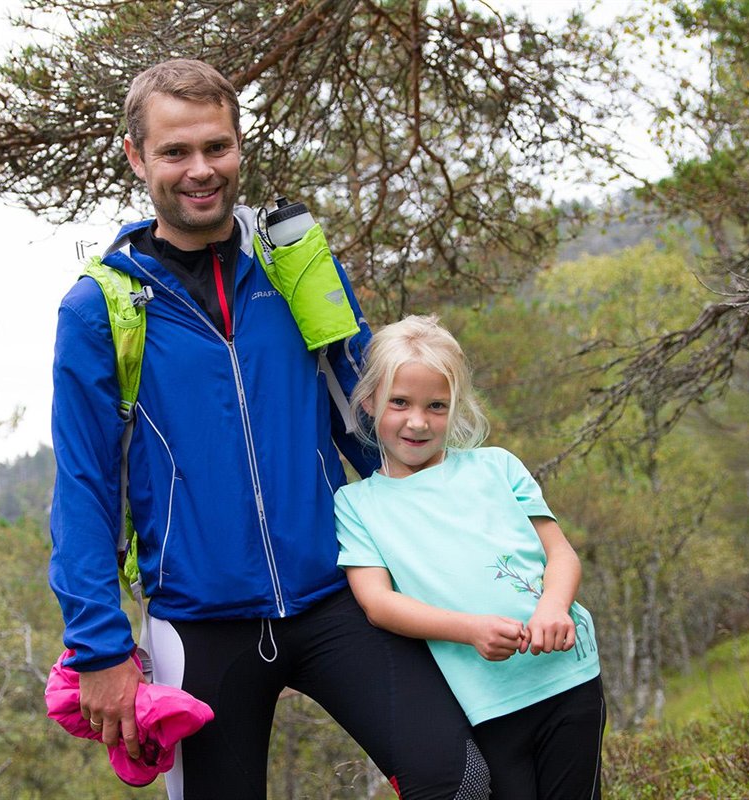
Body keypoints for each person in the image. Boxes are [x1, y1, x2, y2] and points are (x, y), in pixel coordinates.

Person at [49, 59, 490, 799]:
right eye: (175, 152)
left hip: (339, 594)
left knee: (466, 783)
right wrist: (97, 645)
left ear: (240, 145)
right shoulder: (101, 308)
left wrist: (482, 539)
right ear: (136, 157)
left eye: (216, 147)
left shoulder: (296, 267)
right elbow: (86, 485)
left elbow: (373, 423)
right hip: (198, 625)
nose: (200, 170)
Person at [335, 315, 607, 800]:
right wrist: (471, 630)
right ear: (370, 400)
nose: (418, 421)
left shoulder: (497, 466)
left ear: (455, 407)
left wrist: (553, 607)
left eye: (436, 406)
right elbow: (378, 604)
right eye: (400, 402)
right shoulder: (356, 505)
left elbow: (560, 554)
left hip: (568, 677)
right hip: (482, 701)